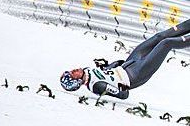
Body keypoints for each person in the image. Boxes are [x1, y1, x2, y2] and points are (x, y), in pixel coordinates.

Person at [60, 18, 190, 99]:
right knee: (165, 43)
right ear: (76, 82)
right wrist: (117, 88)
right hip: (136, 74)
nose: (74, 70)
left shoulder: (88, 71)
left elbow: (113, 70)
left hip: (129, 63)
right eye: (73, 74)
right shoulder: (96, 86)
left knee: (159, 37)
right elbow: (123, 95)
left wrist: (109, 65)